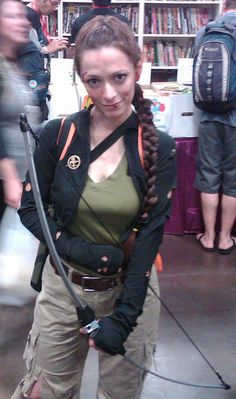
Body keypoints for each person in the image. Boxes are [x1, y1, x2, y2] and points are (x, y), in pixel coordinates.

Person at [12, 16, 176, 399]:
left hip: (130, 289)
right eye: (94, 81)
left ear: (137, 69)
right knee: (45, 390)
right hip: (63, 287)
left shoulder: (159, 148)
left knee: (119, 394)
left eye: (119, 77)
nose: (108, 94)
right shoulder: (58, 135)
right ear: (81, 79)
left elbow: (150, 238)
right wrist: (80, 251)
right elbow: (29, 208)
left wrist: (124, 318)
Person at [195, 0, 236, 254]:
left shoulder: (206, 30)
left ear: (223, 7)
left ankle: (208, 237)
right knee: (233, 180)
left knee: (209, 174)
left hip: (209, 115)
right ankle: (225, 239)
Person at [0, 0, 40, 222]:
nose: (23, 22)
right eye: (12, 16)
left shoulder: (12, 64)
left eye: (23, 16)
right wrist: (9, 175)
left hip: (15, 178)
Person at [20, 0, 68, 121]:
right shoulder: (28, 16)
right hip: (29, 82)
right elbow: (23, 50)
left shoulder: (35, 16)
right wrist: (47, 49)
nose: (55, 8)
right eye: (54, 3)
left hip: (35, 81)